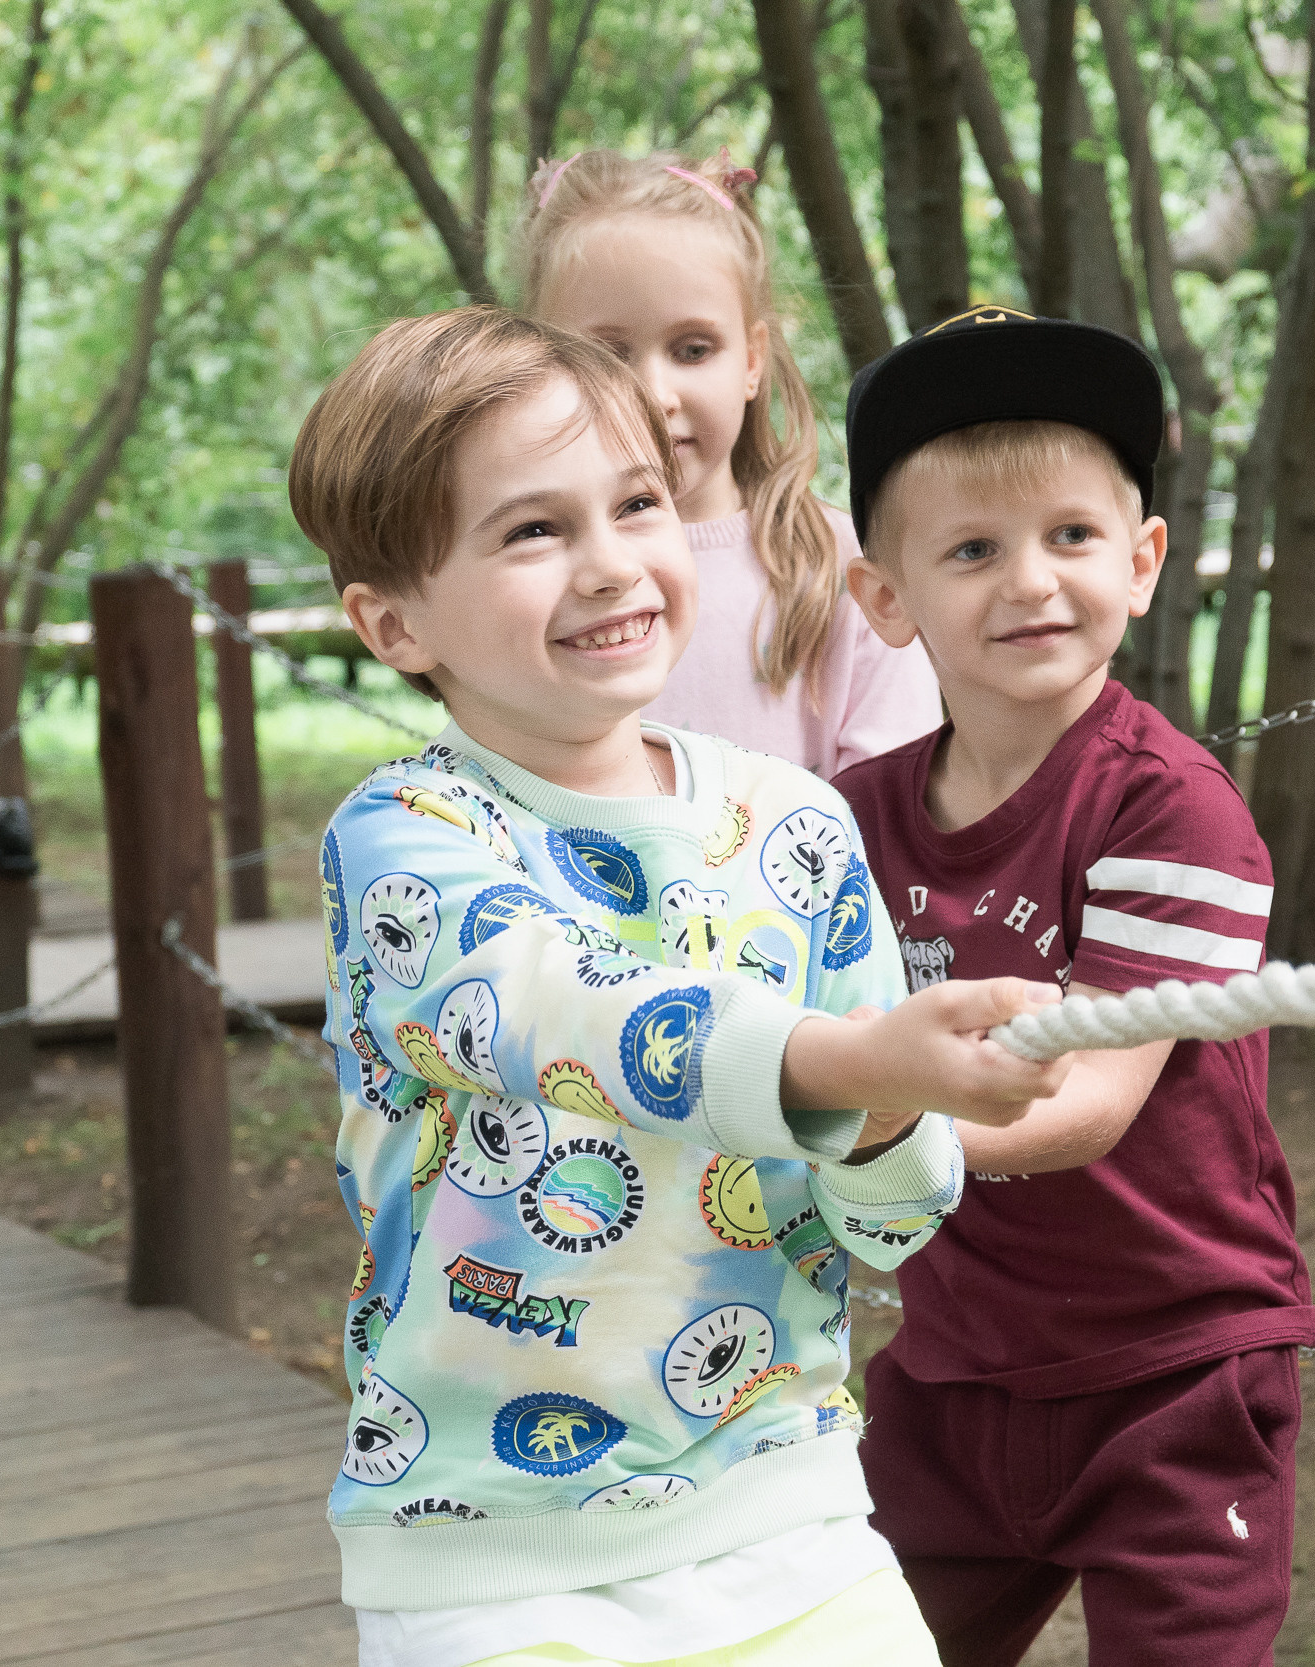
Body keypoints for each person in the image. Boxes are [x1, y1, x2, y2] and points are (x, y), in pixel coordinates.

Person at [286, 306, 1072, 1667]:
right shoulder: (407, 837)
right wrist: (855, 1062)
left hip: (792, 1514)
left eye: (636, 503)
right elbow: (558, 1004)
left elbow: (890, 1225)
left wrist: (890, 1114)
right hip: (491, 1556)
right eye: (533, 530)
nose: (609, 564)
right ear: (391, 617)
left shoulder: (799, 827)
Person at [832, 308, 1315, 1666]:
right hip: (951, 1369)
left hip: (1174, 1371)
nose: (1030, 581)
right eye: (973, 548)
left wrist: (847, 1133)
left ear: (1144, 560)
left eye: (1071, 536)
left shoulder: (1172, 811)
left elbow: (1088, 1104)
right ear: (886, 596)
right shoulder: (844, 826)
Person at [520, 149, 943, 779]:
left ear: (752, 359)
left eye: (693, 350)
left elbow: (892, 815)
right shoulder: (521, 570)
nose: (655, 393)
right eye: (606, 355)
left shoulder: (846, 571)